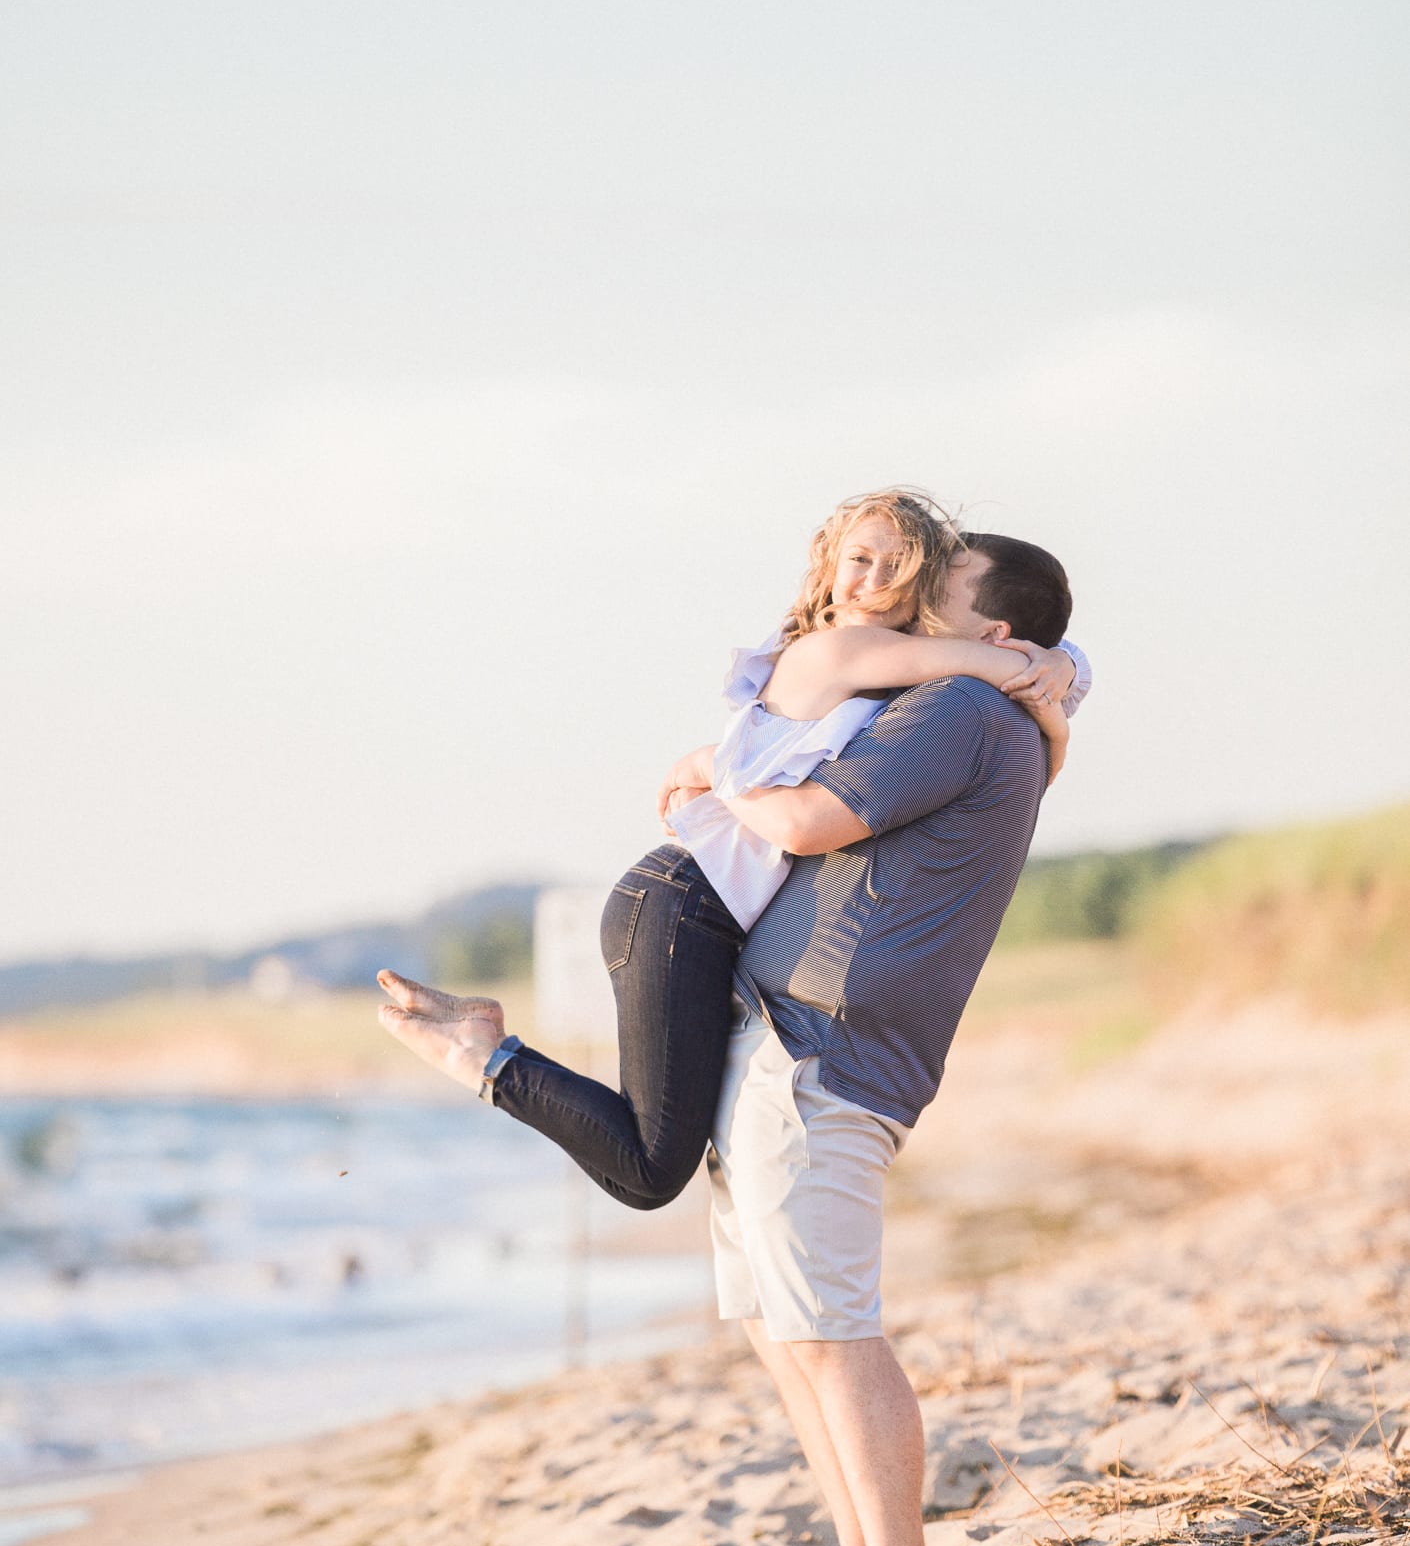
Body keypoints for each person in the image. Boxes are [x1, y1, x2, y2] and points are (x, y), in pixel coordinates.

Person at [378, 493, 1089, 1228]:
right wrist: (1050, 676)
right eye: (859, 560)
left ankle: (485, 1051)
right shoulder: (845, 653)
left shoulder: (897, 671)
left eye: (902, 569)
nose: (874, 580)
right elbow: (985, 665)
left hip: (711, 906)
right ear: (829, 566)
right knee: (650, 1170)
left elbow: (1011, 670)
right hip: (684, 901)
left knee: (657, 1155)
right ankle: (481, 1054)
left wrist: (1055, 678)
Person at [698, 526, 1079, 1546]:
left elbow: (815, 815)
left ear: (994, 627)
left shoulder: (963, 709)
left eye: (939, 585)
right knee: (786, 1327)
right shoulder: (989, 704)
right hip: (796, 1042)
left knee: (828, 1329)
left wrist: (721, 781)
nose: (909, 596)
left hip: (819, 1052)